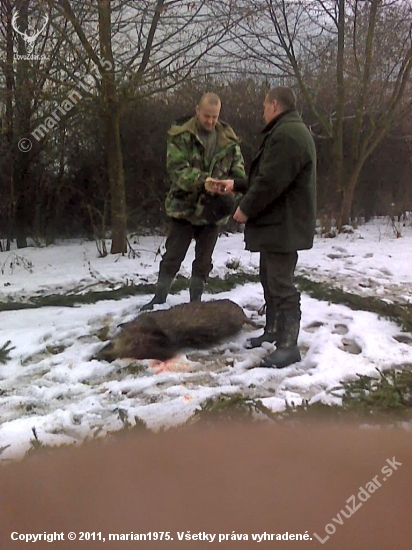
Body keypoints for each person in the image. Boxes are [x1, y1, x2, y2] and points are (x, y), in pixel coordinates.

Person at [210, 86, 316, 368]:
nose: (262, 111)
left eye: (264, 106)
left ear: (274, 104)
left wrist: (245, 208)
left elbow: (270, 183)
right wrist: (237, 184)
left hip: (285, 224)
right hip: (278, 224)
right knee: (269, 278)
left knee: (281, 283)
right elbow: (265, 176)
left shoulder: (287, 134)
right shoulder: (284, 131)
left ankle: (288, 345)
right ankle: (272, 332)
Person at [141, 92, 246, 311]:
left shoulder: (230, 141)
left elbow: (239, 176)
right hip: (184, 209)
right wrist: (202, 181)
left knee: (203, 261)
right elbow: (176, 169)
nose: (210, 121)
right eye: (206, 116)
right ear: (197, 110)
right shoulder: (181, 136)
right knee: (172, 257)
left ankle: (195, 303)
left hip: (213, 212)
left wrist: (228, 191)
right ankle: (159, 299)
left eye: (215, 117)